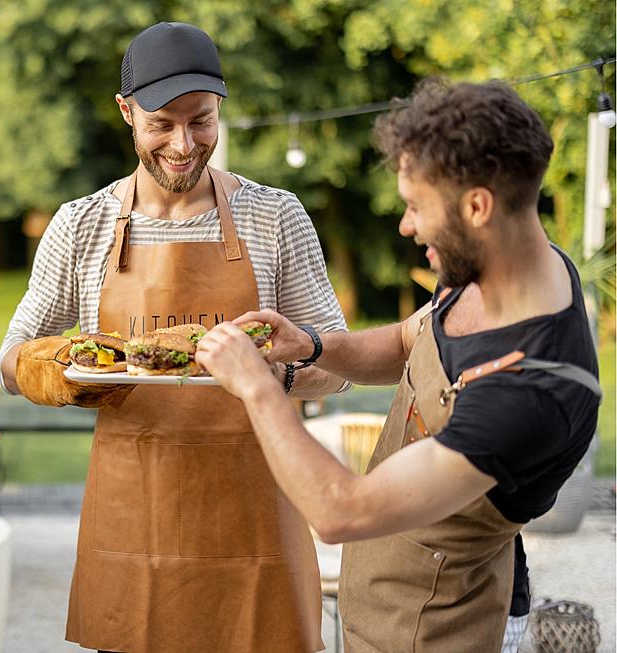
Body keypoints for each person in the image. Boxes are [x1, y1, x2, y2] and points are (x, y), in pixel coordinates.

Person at [196, 79, 601, 653]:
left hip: (439, 632)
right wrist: (312, 345)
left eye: (416, 207)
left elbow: (339, 512)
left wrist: (257, 387)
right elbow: (410, 342)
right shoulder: (494, 267)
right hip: (383, 609)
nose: (406, 227)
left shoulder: (529, 394)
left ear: (477, 206)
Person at [0, 21, 351, 653]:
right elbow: (10, 358)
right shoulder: (81, 225)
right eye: (162, 123)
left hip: (257, 520)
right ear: (126, 112)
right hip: (133, 526)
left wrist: (278, 370)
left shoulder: (277, 217)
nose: (184, 145)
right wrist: (67, 375)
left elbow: (338, 361)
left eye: (203, 120)